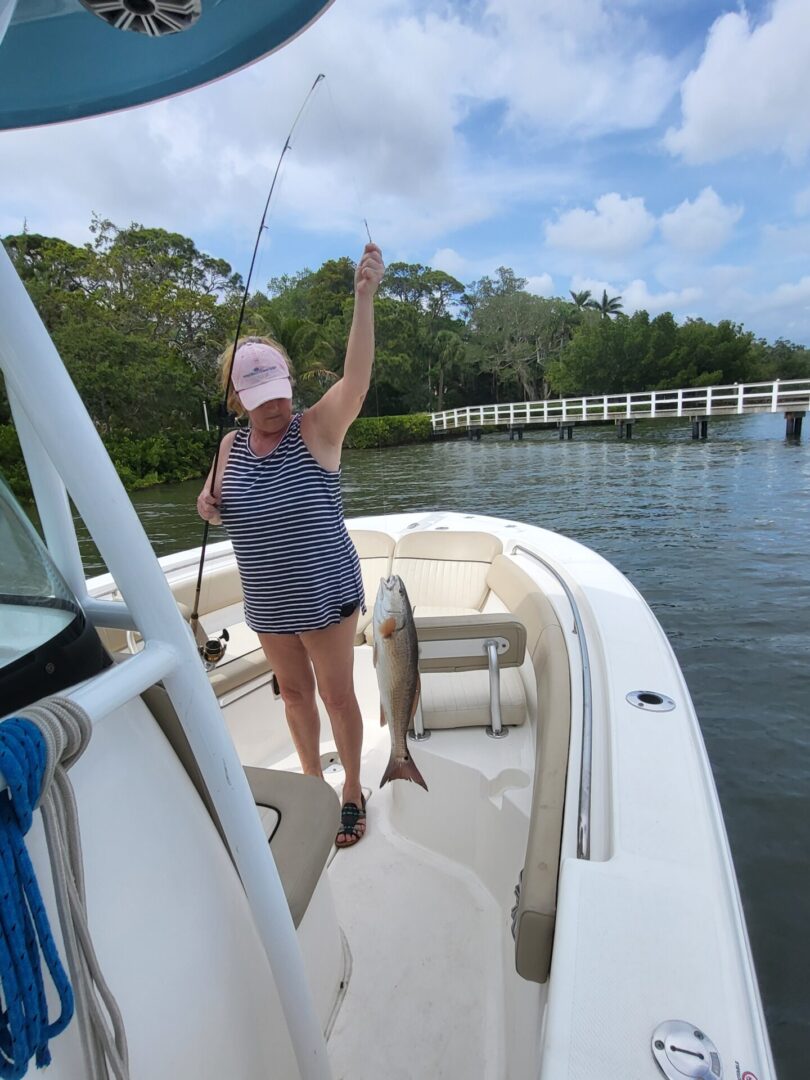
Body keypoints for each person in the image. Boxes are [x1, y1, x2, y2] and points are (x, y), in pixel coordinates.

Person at [197, 242, 385, 848]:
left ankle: (351, 788)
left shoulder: (316, 430)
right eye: (260, 398)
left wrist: (364, 296)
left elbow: (356, 379)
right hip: (269, 603)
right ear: (237, 401)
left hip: (325, 593)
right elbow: (218, 502)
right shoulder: (229, 447)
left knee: (336, 695)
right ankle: (311, 785)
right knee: (296, 696)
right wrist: (207, 504)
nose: (276, 405)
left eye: (280, 389)